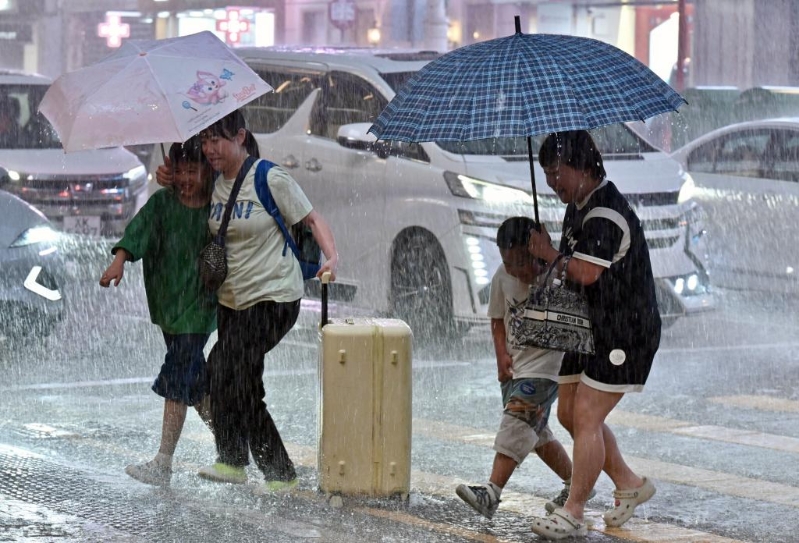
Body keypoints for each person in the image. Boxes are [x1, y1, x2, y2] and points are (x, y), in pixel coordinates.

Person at [156, 109, 338, 493]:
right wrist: (170, 178)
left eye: (216, 140)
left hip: (273, 297)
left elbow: (312, 219)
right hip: (232, 301)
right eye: (204, 141)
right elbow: (185, 194)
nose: (209, 149)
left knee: (227, 371)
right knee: (234, 380)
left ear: (240, 136)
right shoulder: (213, 183)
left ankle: (243, 461)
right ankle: (266, 469)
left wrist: (332, 258)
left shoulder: (269, 177)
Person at [527, 131, 661, 540]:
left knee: (586, 415)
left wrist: (550, 255)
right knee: (569, 413)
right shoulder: (579, 205)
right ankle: (630, 484)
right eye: (546, 175)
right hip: (590, 327)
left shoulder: (605, 212)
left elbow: (585, 271)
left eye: (557, 173)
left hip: (626, 330)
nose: (552, 183)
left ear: (584, 167)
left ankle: (574, 510)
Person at [455, 216, 594, 520]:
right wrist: (501, 356)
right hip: (516, 368)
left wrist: (549, 263)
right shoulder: (501, 278)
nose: (516, 270)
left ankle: (491, 492)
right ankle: (577, 485)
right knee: (536, 433)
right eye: (508, 263)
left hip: (546, 370)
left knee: (517, 421)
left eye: (522, 262)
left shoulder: (557, 276)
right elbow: (496, 320)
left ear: (536, 251)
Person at [100, 136, 216, 486]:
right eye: (179, 171)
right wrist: (118, 262)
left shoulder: (218, 206)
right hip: (169, 303)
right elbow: (138, 231)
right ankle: (234, 444)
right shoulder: (162, 203)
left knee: (178, 377)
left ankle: (163, 462)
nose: (184, 178)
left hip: (199, 306)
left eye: (192, 171)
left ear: (208, 172)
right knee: (195, 384)